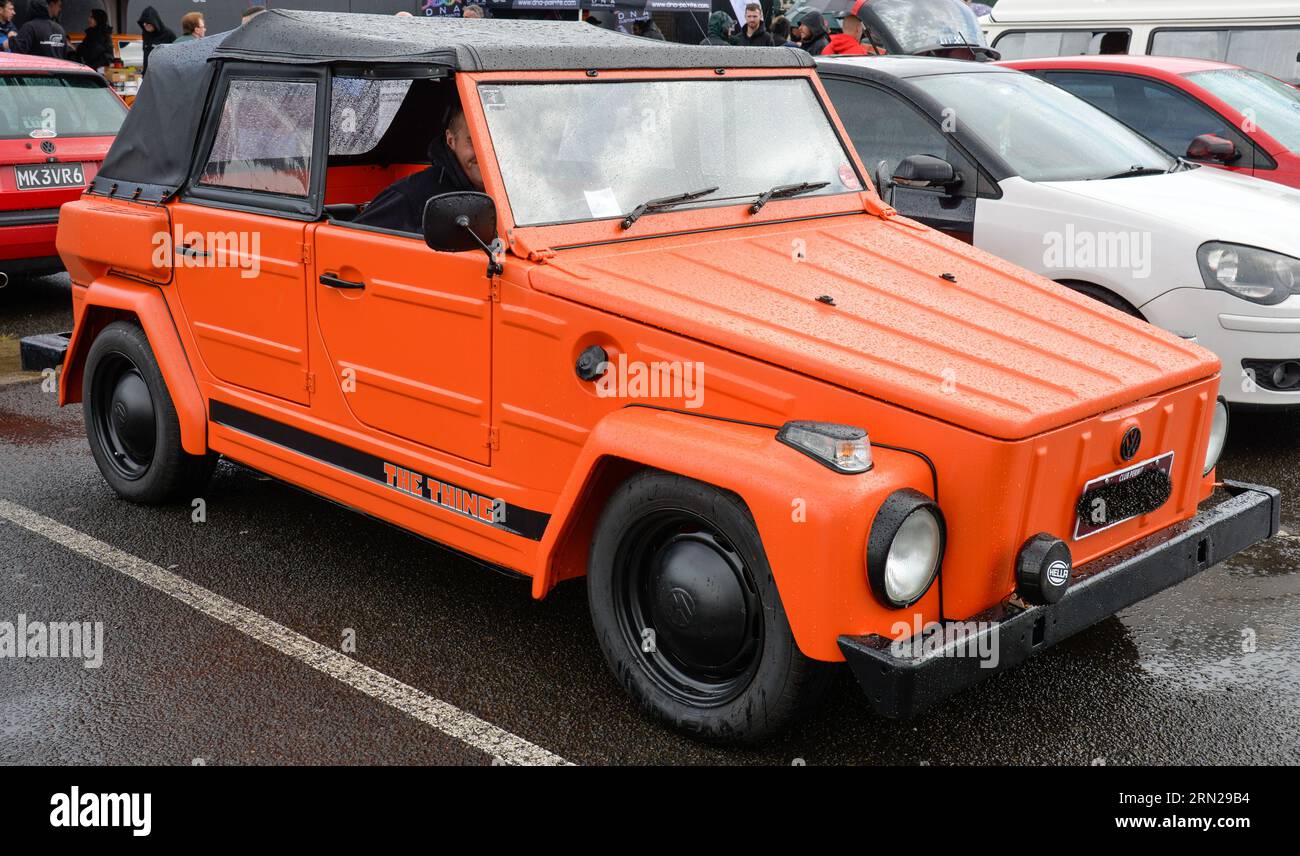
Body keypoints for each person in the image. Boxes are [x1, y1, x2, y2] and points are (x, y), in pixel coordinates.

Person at [353, 101, 484, 234]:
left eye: (496, 139)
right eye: (473, 141)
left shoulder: (505, 196)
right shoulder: (412, 197)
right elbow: (352, 244)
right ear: (451, 141)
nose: (487, 152)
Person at [137, 6, 175, 73]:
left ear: (154, 22)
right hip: (148, 74)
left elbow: (175, 56)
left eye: (147, 23)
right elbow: (146, 53)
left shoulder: (168, 34)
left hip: (162, 75)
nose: (145, 25)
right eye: (143, 23)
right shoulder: (145, 33)